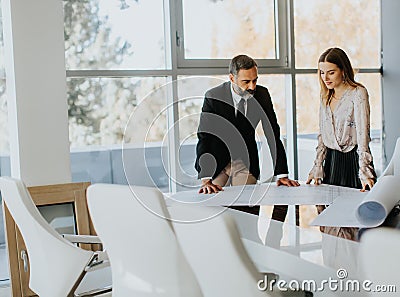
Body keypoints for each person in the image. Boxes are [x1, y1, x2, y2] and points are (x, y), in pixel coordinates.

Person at [195, 54, 299, 221]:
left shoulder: (262, 95)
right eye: (246, 82)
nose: (252, 86)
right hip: (218, 161)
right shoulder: (213, 96)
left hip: (244, 162)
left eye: (255, 80)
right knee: (212, 210)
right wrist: (205, 178)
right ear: (232, 78)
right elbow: (204, 138)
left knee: (247, 214)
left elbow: (272, 133)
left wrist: (282, 174)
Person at [306, 47, 377, 240]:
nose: (325, 77)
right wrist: (317, 167)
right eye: (321, 72)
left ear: (343, 70)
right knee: (331, 228)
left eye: (331, 72)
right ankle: (334, 269)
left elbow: (363, 134)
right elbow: (322, 136)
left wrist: (365, 171)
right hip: (331, 164)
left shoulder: (358, 93)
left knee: (353, 227)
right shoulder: (325, 96)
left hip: (352, 162)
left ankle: (355, 269)